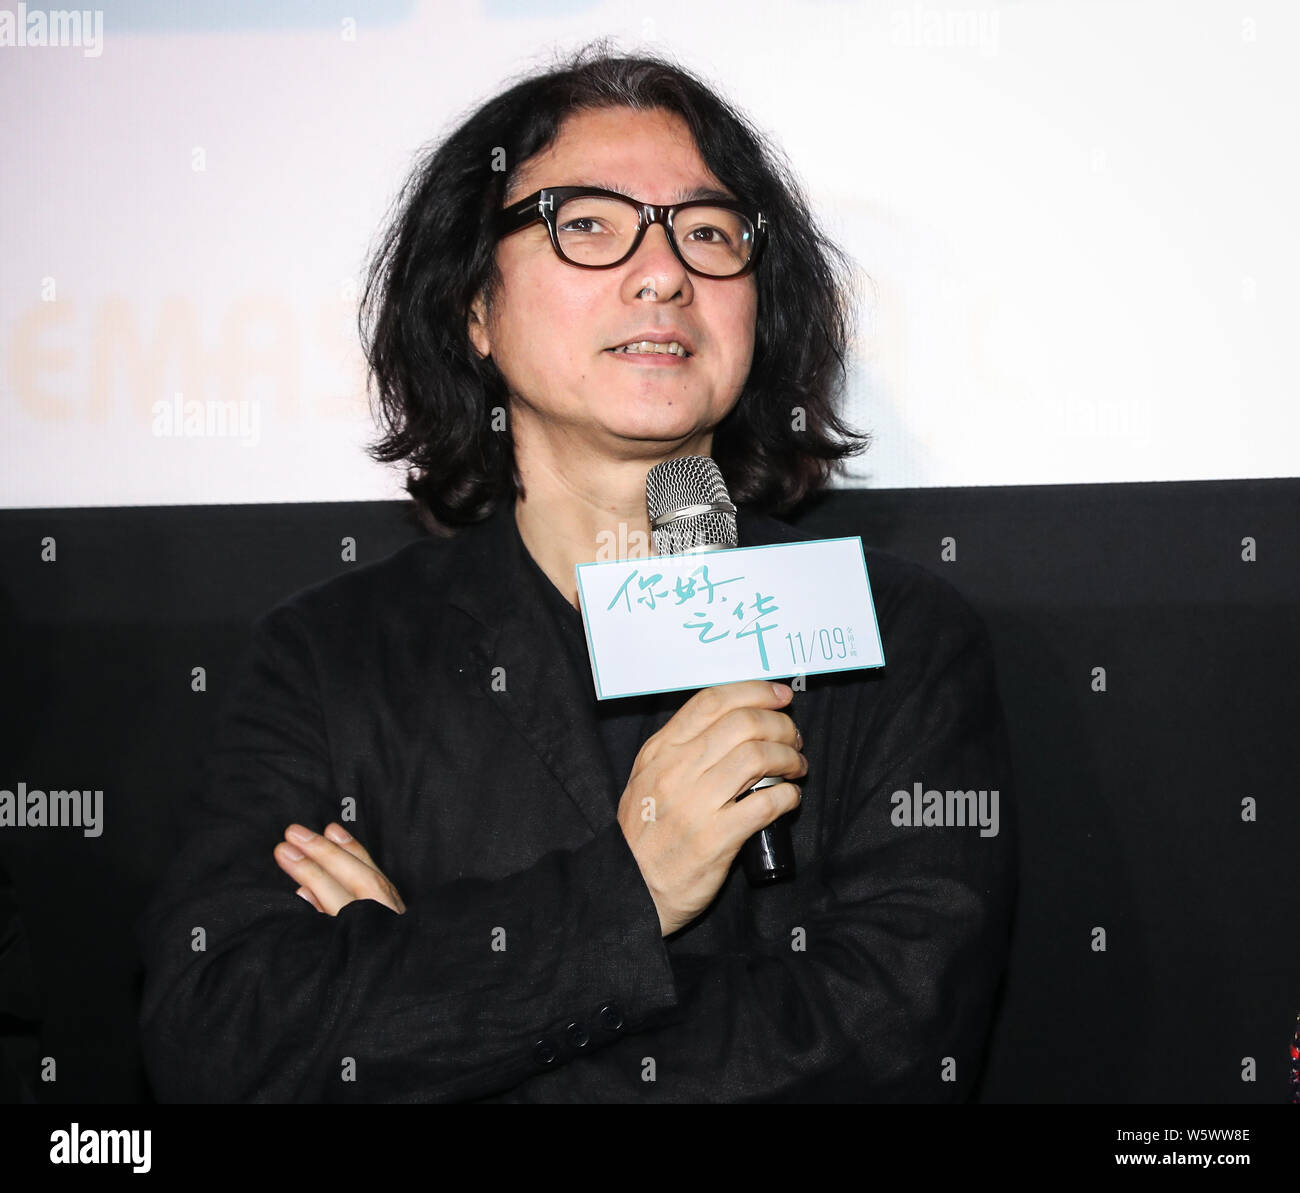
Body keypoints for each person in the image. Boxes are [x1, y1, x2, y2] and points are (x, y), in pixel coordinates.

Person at [135, 43, 1017, 1103]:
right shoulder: (330, 656)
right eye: (586, 223)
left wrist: (424, 1000)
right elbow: (221, 1038)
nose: (663, 273)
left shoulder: (894, 631)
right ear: (473, 308)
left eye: (707, 232)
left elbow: (882, 1054)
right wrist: (628, 889)